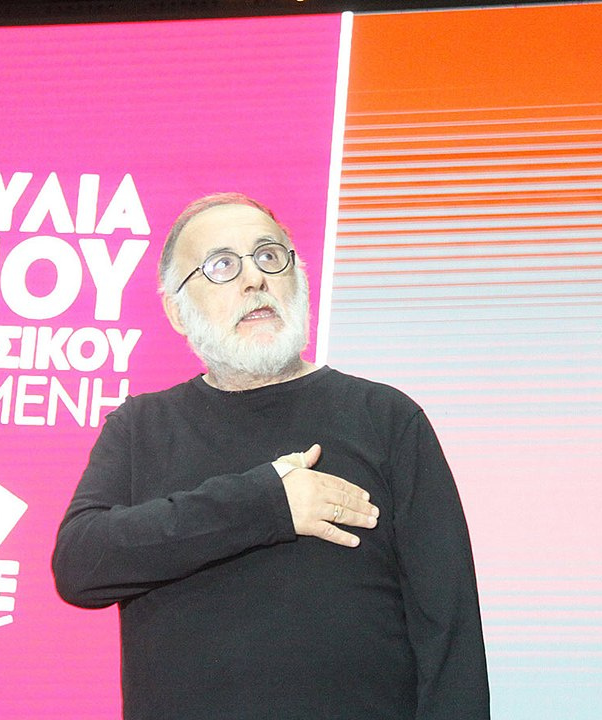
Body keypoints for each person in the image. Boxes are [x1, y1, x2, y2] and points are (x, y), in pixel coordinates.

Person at [52, 193, 489, 719]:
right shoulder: (140, 427)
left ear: (297, 279)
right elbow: (80, 565)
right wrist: (268, 504)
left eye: (268, 256)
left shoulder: (386, 418)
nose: (254, 279)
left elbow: (450, 633)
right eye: (222, 265)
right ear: (177, 311)